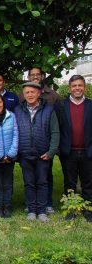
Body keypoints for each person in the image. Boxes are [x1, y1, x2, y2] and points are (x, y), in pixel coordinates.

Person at [15, 82, 59, 222]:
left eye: (33, 92)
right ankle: (32, 210)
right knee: (29, 183)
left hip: (43, 154)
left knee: (42, 182)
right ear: (24, 95)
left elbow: (55, 132)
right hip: (25, 153)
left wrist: (51, 152)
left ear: (39, 93)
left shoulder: (49, 109)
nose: (30, 95)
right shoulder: (18, 110)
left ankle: (41, 211)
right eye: (27, 92)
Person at [56, 75, 92, 222]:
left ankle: (88, 210)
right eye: (74, 86)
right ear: (69, 88)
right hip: (68, 151)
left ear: (84, 87)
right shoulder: (61, 106)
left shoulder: (91, 105)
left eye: (80, 85)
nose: (77, 88)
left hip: (88, 151)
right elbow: (56, 128)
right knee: (69, 182)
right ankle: (71, 209)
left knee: (88, 183)